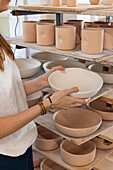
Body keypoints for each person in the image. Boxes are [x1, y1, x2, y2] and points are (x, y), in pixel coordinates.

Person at [0, 0, 89, 169]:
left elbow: (6, 94)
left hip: (21, 143)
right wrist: (46, 105)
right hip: (4, 155)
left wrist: (41, 82)